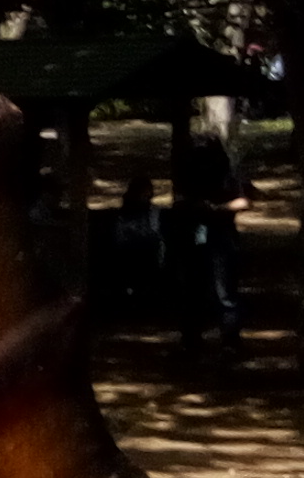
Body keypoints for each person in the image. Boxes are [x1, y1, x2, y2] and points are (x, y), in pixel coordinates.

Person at [170, 123, 247, 349]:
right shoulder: (188, 173)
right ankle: (191, 339)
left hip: (220, 233)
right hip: (192, 233)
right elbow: (180, 200)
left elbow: (244, 200)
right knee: (192, 287)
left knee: (224, 289)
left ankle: (230, 339)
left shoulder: (226, 173)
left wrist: (216, 209)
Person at [103, 175, 166, 322]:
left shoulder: (154, 211)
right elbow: (118, 236)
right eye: (143, 192)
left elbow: (156, 232)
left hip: (150, 254)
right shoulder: (124, 213)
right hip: (128, 253)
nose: (147, 196)